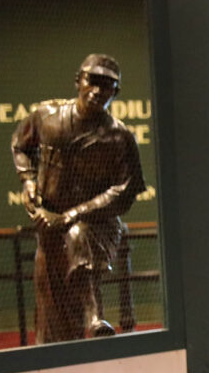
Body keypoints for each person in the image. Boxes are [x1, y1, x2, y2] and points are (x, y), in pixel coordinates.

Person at [12, 53, 145, 343]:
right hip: (48, 223)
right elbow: (21, 146)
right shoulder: (47, 116)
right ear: (78, 82)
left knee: (78, 234)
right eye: (92, 81)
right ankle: (53, 368)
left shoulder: (119, 137)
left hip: (97, 225)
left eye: (107, 85)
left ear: (116, 92)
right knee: (51, 306)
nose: (97, 91)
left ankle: (94, 316)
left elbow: (124, 192)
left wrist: (72, 215)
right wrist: (28, 182)